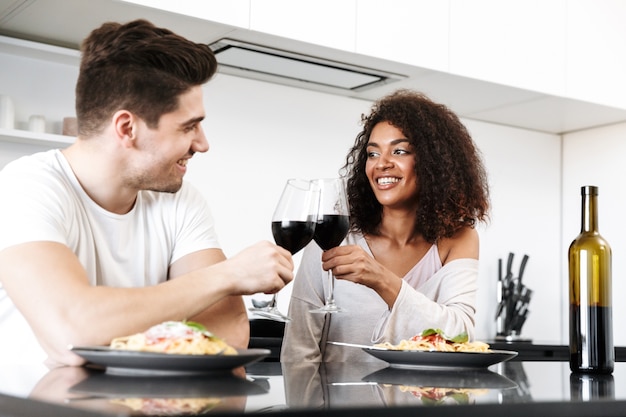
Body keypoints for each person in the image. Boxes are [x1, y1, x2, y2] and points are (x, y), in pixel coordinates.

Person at [0, 19, 294, 369]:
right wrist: (227, 275)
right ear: (127, 128)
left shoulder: (181, 199)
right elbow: (72, 332)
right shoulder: (27, 186)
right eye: (189, 126)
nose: (203, 143)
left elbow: (226, 333)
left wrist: (103, 330)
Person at [281, 89, 490, 362]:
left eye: (399, 151)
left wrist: (381, 279)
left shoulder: (458, 238)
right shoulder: (334, 238)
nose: (382, 164)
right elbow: (299, 351)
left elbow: (459, 334)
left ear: (433, 163)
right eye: (372, 153)